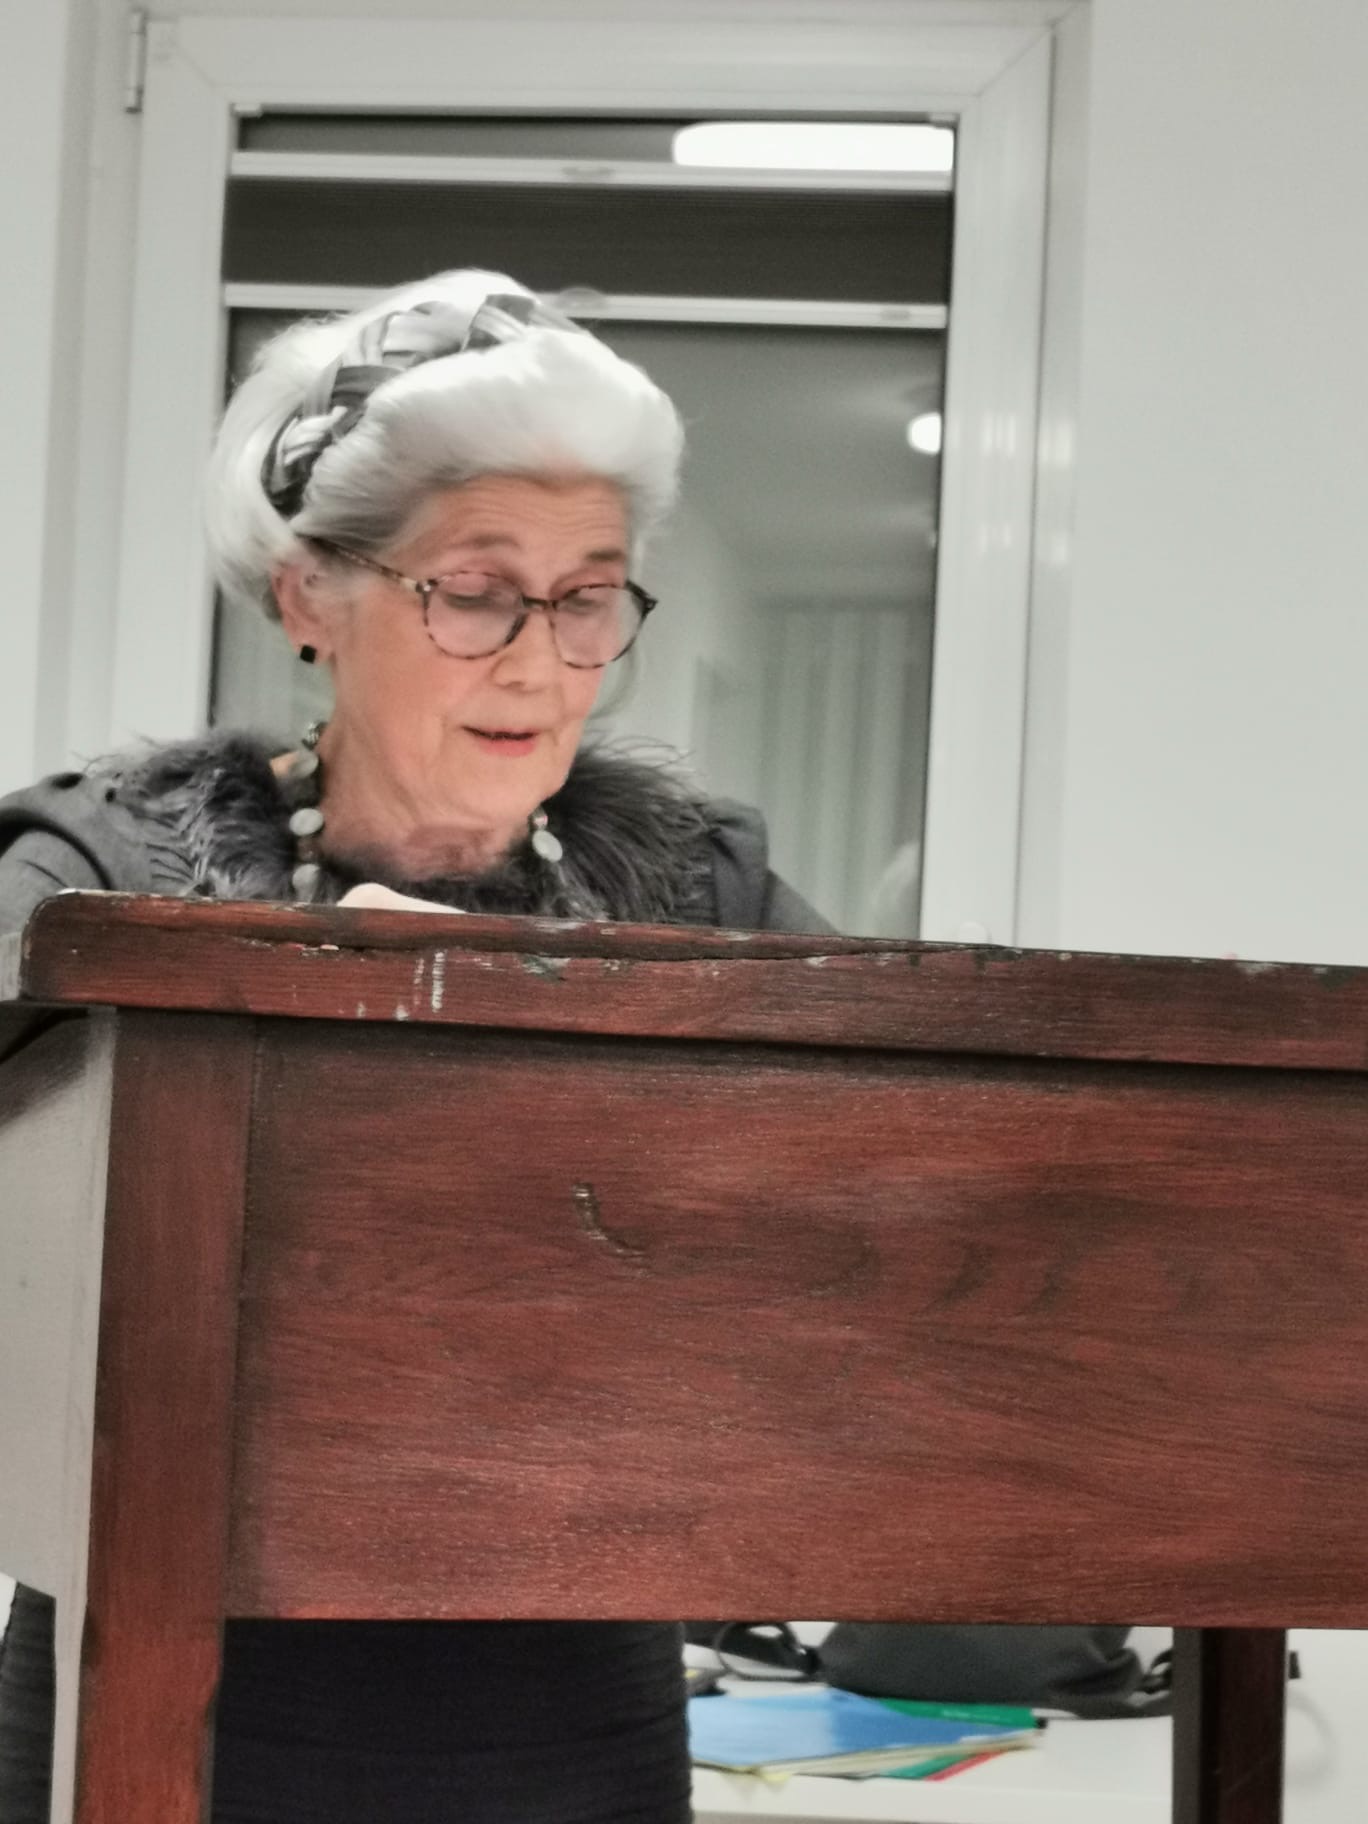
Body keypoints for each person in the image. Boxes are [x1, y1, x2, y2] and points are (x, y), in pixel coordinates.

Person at [0, 270, 829, 1823]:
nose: (539, 660)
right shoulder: (101, 873)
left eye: (588, 597)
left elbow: (863, 1202)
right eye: (474, 589)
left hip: (574, 1713)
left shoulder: (701, 890)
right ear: (309, 598)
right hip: (161, 1694)